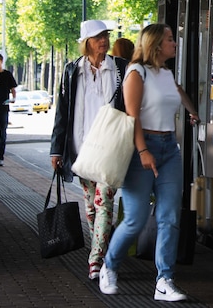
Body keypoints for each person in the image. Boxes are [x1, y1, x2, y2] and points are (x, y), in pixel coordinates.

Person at [100, 23, 200, 301]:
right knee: (136, 218)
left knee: (170, 217)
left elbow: (177, 92)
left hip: (170, 149)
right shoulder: (136, 73)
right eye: (170, 39)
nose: (175, 44)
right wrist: (144, 151)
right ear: (156, 44)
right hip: (140, 149)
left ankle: (164, 280)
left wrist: (193, 112)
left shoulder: (166, 73)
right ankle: (109, 265)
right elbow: (133, 118)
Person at [50, 20, 127, 281]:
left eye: (105, 35)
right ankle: (103, 250)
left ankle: (96, 259)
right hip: (81, 148)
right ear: (86, 43)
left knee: (103, 200)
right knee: (91, 206)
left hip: (110, 148)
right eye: (97, 37)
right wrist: (56, 150)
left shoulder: (119, 68)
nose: (103, 40)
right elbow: (62, 112)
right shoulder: (72, 70)